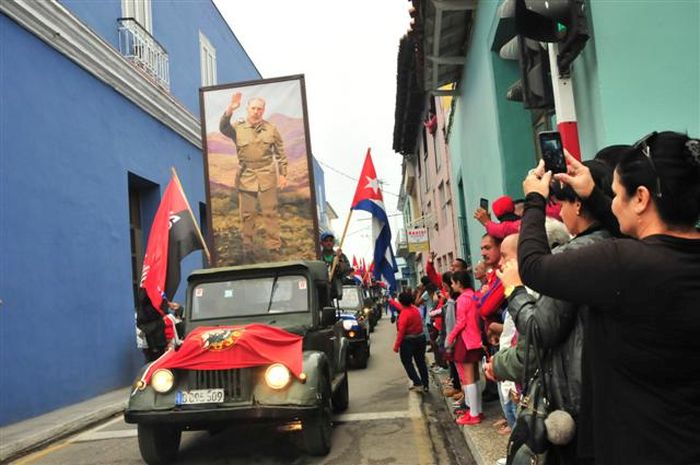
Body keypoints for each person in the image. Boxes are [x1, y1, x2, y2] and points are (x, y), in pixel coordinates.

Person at [517, 131, 700, 465]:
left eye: (615, 194)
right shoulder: (653, 261)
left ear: (641, 198)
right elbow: (642, 235)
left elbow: (532, 266)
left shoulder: (622, 264)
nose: (611, 204)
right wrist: (592, 193)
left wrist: (534, 200)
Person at [219, 92, 288, 254]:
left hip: (267, 174)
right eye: (253, 108)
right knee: (247, 214)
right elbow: (223, 128)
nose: (256, 111)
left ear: (263, 111)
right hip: (246, 174)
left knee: (270, 212)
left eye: (259, 109)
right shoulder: (238, 127)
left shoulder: (271, 129)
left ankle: (274, 245)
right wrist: (230, 109)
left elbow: (280, 153)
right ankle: (247, 245)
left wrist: (283, 175)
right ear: (248, 109)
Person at [446, 270, 484, 425]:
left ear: (459, 283)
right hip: (477, 339)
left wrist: (450, 337)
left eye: (453, 283)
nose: (452, 285)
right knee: (475, 377)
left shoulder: (462, 299)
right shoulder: (474, 295)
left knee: (468, 380)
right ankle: (477, 411)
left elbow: (461, 322)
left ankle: (473, 414)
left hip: (467, 340)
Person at [393, 291, 430, 392]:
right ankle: (425, 384)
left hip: (408, 341)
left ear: (401, 302)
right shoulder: (414, 309)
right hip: (420, 339)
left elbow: (401, 332)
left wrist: (396, 346)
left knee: (407, 362)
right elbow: (401, 307)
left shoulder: (404, 314)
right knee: (421, 362)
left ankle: (417, 382)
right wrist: (391, 301)